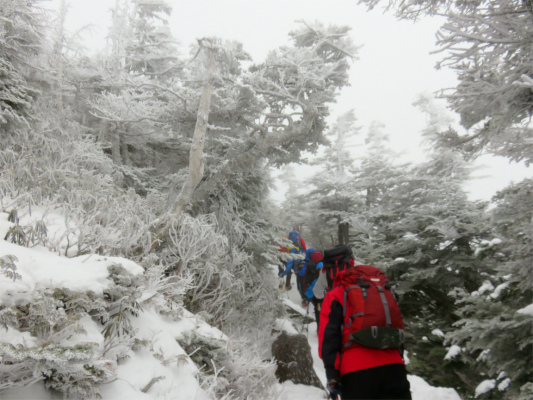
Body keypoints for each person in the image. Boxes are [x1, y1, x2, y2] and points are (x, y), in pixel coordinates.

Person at [318, 264, 411, 400]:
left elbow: (328, 337)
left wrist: (332, 375)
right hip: (394, 366)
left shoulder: (336, 293)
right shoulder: (384, 291)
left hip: (356, 370)